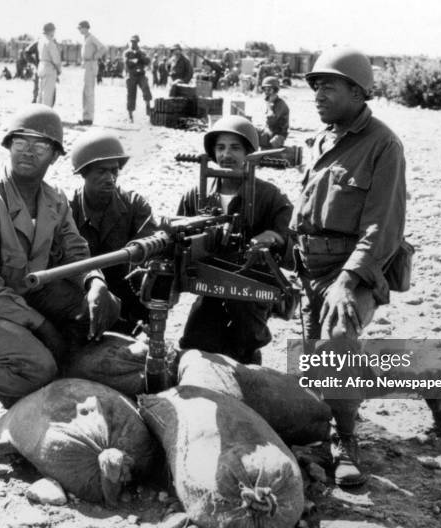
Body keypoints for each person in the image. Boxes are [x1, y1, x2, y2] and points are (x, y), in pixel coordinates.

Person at [293, 47, 441, 487]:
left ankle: (345, 441)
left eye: (328, 85)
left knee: (339, 342)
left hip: (355, 272)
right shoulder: (319, 141)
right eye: (315, 85)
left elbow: (384, 226)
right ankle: (431, 384)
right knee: (319, 372)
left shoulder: (384, 145)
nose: (317, 93)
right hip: (309, 269)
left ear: (357, 90)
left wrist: (346, 282)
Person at [0, 105, 120, 432]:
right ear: (8, 146)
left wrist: (94, 281)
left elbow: (75, 250)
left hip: (24, 294)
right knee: (38, 368)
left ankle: (28, 374)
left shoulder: (54, 199)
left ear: (55, 155)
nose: (28, 153)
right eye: (20, 143)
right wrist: (41, 325)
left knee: (106, 308)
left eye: (40, 146)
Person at [177, 116, 293, 364]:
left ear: (249, 153)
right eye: (220, 147)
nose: (226, 154)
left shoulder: (269, 196)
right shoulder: (196, 194)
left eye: (235, 147)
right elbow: (179, 234)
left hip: (251, 286)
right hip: (210, 284)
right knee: (195, 343)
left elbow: (285, 236)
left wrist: (270, 238)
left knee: (245, 345)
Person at [69, 130, 158, 335]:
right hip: (84, 293)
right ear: (84, 172)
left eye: (114, 171)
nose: (110, 178)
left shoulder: (135, 205)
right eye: (101, 171)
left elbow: (147, 259)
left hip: (129, 296)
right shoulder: (68, 208)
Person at [77, 20, 107, 126]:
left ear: (86, 28)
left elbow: (103, 48)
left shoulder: (91, 38)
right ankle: (86, 117)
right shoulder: (86, 39)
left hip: (90, 65)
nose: (79, 30)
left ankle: (88, 119)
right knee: (85, 92)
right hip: (86, 65)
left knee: (88, 93)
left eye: (80, 28)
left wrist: (95, 56)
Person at [123, 35, 152, 123]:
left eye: (135, 42)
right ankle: (130, 115)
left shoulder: (142, 52)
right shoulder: (127, 52)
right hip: (131, 75)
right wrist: (134, 60)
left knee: (146, 90)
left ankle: (148, 107)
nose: (133, 43)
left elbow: (147, 62)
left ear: (138, 42)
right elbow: (126, 63)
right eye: (132, 42)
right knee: (131, 95)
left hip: (141, 75)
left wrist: (141, 57)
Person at [257, 76, 289, 149]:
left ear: (275, 90)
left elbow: (271, 120)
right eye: (265, 90)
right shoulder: (272, 102)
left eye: (269, 90)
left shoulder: (280, 104)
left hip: (276, 137)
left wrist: (269, 105)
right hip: (269, 132)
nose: (266, 92)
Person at [37, 22, 62, 107]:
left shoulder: (41, 41)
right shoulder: (50, 42)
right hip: (49, 67)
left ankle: (37, 113)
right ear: (51, 31)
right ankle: (45, 116)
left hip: (41, 65)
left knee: (40, 93)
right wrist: (59, 70)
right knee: (47, 95)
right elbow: (56, 60)